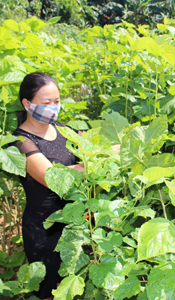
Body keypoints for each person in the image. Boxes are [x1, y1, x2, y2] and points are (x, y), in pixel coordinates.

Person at [12, 72, 119, 299]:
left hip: (76, 222)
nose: (53, 107)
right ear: (27, 103)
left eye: (57, 101)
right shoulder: (21, 141)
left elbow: (94, 147)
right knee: (50, 289)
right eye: (46, 103)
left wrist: (122, 148)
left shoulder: (63, 129)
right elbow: (52, 176)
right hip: (44, 229)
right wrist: (100, 160)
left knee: (76, 285)